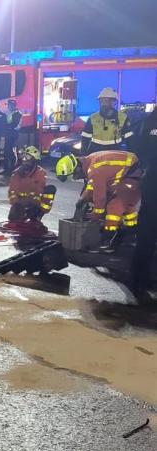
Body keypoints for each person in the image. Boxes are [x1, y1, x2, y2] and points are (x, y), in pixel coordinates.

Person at [56, 150, 142, 252]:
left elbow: (100, 197)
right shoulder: (90, 162)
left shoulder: (95, 170)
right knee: (127, 206)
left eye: (75, 176)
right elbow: (92, 186)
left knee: (114, 206)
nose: (76, 178)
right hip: (128, 174)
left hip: (132, 177)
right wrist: (83, 199)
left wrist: (95, 215)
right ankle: (130, 236)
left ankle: (107, 239)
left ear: (76, 168)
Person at [131, 109, 157, 302]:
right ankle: (140, 280)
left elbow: (141, 148)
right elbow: (143, 149)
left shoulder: (150, 121)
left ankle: (141, 279)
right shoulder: (151, 122)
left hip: (152, 180)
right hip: (153, 181)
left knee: (147, 234)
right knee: (147, 234)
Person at [7, 146, 56, 222]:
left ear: (34, 160)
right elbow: (12, 191)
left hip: (35, 205)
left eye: (28, 157)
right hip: (19, 204)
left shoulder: (40, 173)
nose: (24, 160)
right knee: (13, 220)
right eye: (23, 157)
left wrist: (36, 209)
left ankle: (39, 215)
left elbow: (38, 191)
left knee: (50, 189)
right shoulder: (16, 173)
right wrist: (17, 205)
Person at [81, 87, 134, 154]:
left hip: (115, 153)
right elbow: (85, 138)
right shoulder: (93, 118)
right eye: (102, 101)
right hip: (96, 154)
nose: (104, 103)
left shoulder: (122, 118)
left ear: (114, 102)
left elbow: (130, 139)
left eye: (107, 101)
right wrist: (83, 155)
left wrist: (133, 155)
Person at [2, 99, 22, 176]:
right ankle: (6, 169)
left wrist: (7, 127)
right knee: (6, 152)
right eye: (8, 105)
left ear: (13, 105)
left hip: (13, 135)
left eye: (10, 105)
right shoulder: (7, 112)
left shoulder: (17, 113)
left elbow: (15, 124)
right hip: (8, 134)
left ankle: (12, 169)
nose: (8, 106)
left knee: (12, 152)